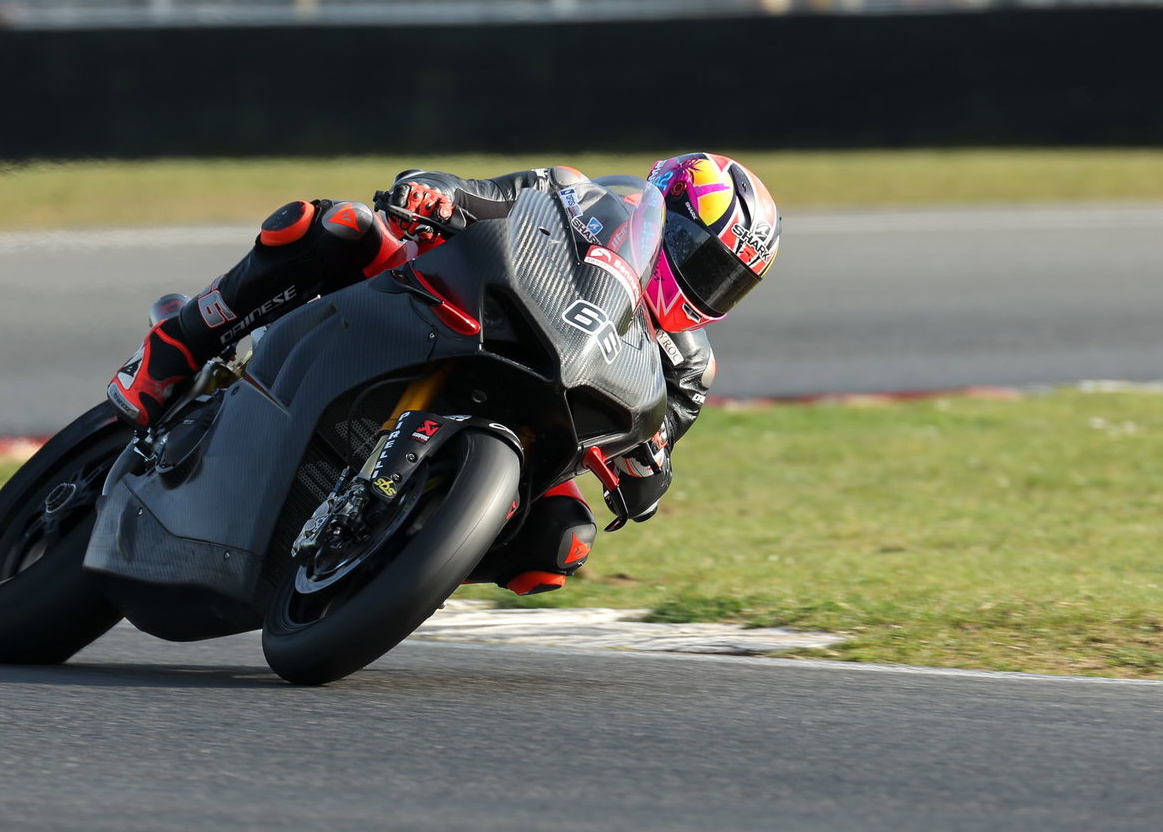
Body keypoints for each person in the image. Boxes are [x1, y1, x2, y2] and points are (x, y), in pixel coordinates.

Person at [106, 153, 781, 595]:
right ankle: (178, 344)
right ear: (663, 211)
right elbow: (480, 195)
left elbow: (652, 450)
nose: (701, 281)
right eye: (696, 252)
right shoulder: (574, 195)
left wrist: (647, 466)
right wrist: (436, 195)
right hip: (449, 312)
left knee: (561, 542)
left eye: (725, 278)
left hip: (537, 424)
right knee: (333, 226)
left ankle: (393, 567)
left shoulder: (689, 367)